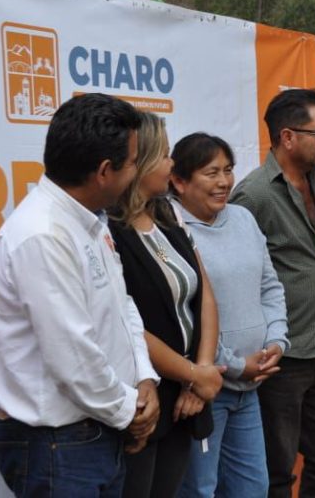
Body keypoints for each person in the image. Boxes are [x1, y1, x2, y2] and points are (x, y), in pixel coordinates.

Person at [0, 93, 159, 496]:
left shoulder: (89, 221)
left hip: (96, 429)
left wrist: (144, 377)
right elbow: (72, 356)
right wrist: (131, 411)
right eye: (133, 162)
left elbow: (122, 307)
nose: (137, 171)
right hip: (58, 446)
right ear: (104, 171)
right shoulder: (43, 234)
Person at [230, 88, 315, 497]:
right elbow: (236, 277)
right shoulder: (254, 194)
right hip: (280, 358)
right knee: (275, 470)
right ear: (288, 137)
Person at [108, 112, 223, 498]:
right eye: (163, 155)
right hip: (146, 395)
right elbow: (126, 324)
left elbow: (205, 293)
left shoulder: (168, 213)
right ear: (138, 163)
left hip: (187, 396)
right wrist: (192, 374)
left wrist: (200, 375)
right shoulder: (108, 230)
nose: (171, 164)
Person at [171, 133, 289, 498]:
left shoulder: (242, 218)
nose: (224, 182)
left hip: (250, 387)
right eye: (211, 173)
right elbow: (184, 314)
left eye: (228, 170)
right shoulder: (170, 229)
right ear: (179, 181)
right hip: (204, 388)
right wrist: (235, 365)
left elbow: (269, 286)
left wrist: (276, 341)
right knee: (200, 489)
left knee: (252, 488)